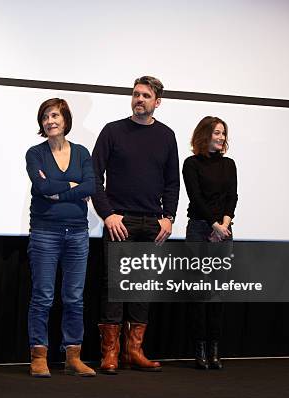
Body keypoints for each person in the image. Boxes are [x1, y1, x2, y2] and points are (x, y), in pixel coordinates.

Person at [92, 76, 180, 374]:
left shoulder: (167, 136)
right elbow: (94, 177)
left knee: (142, 288)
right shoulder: (112, 131)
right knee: (114, 287)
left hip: (152, 224)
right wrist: (107, 214)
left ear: (157, 102)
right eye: (135, 94)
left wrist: (169, 216)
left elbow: (172, 182)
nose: (139, 99)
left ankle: (134, 351)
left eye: (145, 95)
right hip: (120, 221)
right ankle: (111, 353)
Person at [25, 98, 96, 378]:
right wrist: (73, 185)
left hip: (78, 232)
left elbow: (92, 185)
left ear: (65, 119)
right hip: (45, 232)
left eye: (54, 115)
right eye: (45, 117)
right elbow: (42, 186)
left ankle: (73, 357)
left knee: (74, 298)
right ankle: (38, 356)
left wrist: (61, 189)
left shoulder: (81, 153)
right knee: (43, 296)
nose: (50, 121)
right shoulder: (35, 153)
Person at [182, 116, 238, 370]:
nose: (221, 137)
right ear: (205, 135)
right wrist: (214, 225)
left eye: (223, 133)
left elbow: (232, 197)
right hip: (199, 230)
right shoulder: (191, 163)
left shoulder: (229, 164)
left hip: (223, 231)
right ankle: (199, 349)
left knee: (217, 294)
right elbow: (196, 197)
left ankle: (215, 349)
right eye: (217, 132)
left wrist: (224, 225)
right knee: (198, 293)